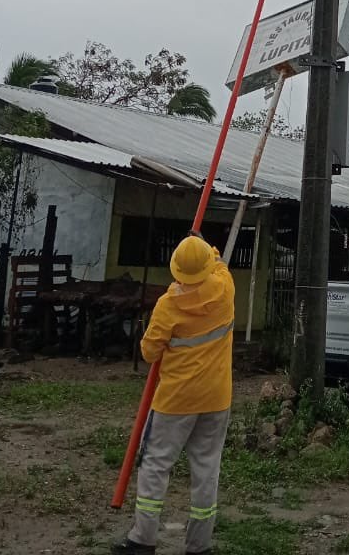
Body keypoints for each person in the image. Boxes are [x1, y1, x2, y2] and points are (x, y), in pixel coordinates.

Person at [113, 234, 235, 555]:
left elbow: (149, 352)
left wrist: (175, 289)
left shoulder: (168, 306)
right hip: (216, 398)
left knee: (156, 465)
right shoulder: (225, 289)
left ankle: (143, 540)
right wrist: (206, 248)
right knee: (207, 468)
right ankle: (199, 545)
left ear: (176, 272)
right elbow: (219, 263)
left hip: (176, 401)